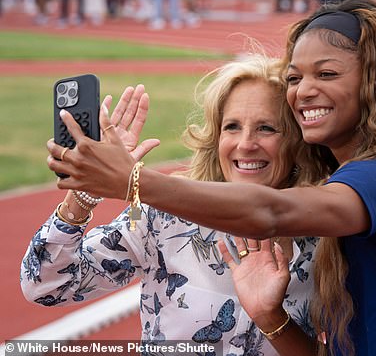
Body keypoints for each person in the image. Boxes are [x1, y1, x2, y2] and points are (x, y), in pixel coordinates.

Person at [48, 0, 376, 355]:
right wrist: (272, 319)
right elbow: (50, 283)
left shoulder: (365, 191)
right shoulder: (165, 221)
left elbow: (270, 213)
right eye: (295, 77)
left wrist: (134, 182)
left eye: (326, 73)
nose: (304, 90)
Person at [23, 57, 330, 354]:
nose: (246, 143)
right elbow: (47, 284)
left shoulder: (326, 238)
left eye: (267, 128)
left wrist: (273, 320)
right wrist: (84, 192)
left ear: (297, 142)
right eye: (232, 127)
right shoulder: (166, 219)